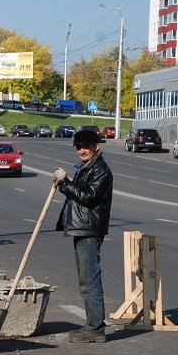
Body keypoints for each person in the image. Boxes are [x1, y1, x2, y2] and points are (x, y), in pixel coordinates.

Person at [53, 129, 113, 343]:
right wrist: (66, 183)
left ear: (96, 146)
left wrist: (65, 183)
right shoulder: (87, 167)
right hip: (82, 228)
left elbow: (88, 198)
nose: (81, 150)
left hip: (90, 230)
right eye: (78, 146)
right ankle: (92, 325)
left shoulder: (101, 170)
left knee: (90, 280)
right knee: (85, 281)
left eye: (86, 146)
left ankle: (96, 328)